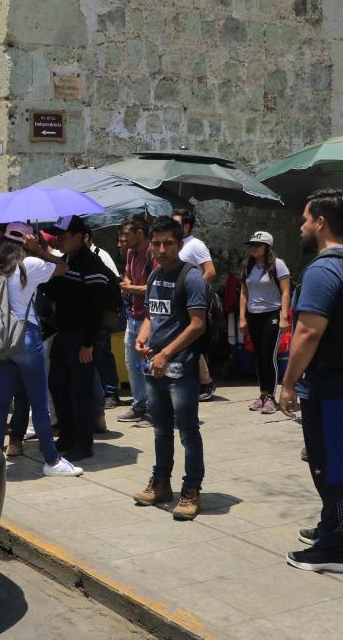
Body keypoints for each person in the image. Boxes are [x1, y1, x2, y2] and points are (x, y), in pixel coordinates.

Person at [279, 188, 343, 573]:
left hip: (330, 389)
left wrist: (287, 382)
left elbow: (308, 333)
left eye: (304, 219)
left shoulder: (323, 269)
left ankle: (337, 547)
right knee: (336, 465)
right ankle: (333, 526)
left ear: (321, 222)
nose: (301, 226)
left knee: (334, 469)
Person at [0, 223, 78, 476]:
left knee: (0, 402)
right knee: (38, 402)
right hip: (25, 337)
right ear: (27, 241)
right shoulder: (30, 266)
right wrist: (41, 251)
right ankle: (52, 461)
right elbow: (64, 266)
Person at [131, 216, 208, 520]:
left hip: (181, 369)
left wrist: (166, 353)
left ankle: (191, 490)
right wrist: (143, 334)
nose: (161, 249)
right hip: (156, 367)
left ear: (180, 244)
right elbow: (153, 314)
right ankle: (161, 483)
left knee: (188, 431)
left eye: (168, 243)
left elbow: (198, 325)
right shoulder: (153, 276)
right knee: (161, 430)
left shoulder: (191, 278)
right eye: (157, 243)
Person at [43, 216, 117, 461]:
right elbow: (54, 291)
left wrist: (88, 343)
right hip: (64, 334)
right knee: (58, 386)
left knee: (81, 392)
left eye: (63, 237)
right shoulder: (66, 261)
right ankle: (66, 436)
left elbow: (96, 308)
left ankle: (83, 443)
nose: (58, 241)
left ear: (78, 237)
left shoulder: (91, 264)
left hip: (81, 337)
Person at [238, 231, 291, 415]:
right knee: (259, 355)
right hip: (254, 315)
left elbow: (285, 292)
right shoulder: (247, 266)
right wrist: (242, 317)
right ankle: (262, 394)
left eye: (257, 245)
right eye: (251, 244)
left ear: (267, 247)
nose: (253, 247)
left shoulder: (278, 265)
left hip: (273, 314)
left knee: (269, 355)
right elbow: (244, 293)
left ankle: (271, 396)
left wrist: (284, 316)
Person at [171, 208, 217, 401]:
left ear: (187, 226)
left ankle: (205, 382)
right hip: (175, 303)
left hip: (190, 303)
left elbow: (210, 271)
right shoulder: (175, 245)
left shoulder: (196, 245)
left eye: (176, 223)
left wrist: (192, 291)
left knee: (191, 342)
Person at [119, 214, 155, 425]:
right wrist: (127, 283)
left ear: (139, 233)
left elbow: (155, 287)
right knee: (131, 364)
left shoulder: (153, 254)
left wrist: (130, 288)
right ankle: (139, 404)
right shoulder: (131, 253)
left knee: (148, 364)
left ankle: (153, 408)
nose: (124, 239)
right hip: (133, 315)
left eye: (127, 234)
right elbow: (127, 275)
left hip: (149, 318)